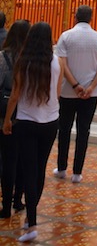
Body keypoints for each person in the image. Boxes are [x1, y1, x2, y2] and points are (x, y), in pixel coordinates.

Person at [2, 22, 62, 243]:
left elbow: (15, 95)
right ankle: (30, 218)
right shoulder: (57, 62)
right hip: (50, 121)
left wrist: (7, 120)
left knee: (28, 170)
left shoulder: (23, 63)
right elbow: (56, 92)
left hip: (27, 122)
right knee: (39, 169)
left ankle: (32, 223)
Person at [53, 5, 97, 182]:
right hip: (91, 94)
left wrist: (75, 85)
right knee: (84, 130)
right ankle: (77, 172)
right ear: (91, 18)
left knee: (64, 130)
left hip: (68, 92)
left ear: (75, 17)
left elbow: (62, 63)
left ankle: (61, 168)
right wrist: (91, 86)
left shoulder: (66, 36)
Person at [0, 19, 30, 218]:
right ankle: (18, 199)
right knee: (22, 160)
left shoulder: (3, 57)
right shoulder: (32, 58)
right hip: (28, 114)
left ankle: (6, 204)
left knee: (7, 159)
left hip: (6, 113)